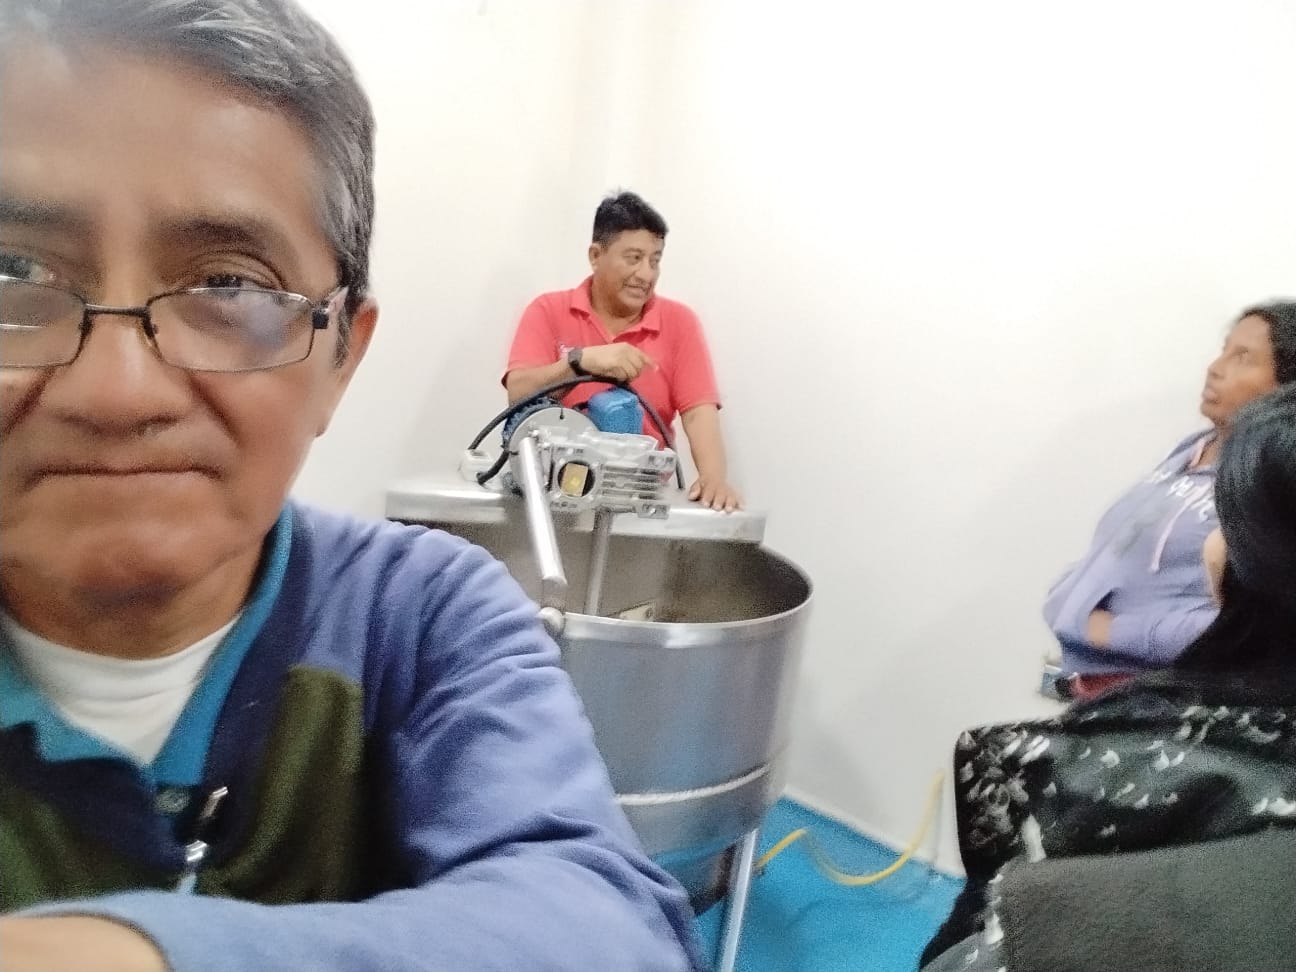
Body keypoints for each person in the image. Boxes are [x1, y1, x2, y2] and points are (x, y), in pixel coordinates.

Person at [0, 2, 706, 970]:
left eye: (230, 286)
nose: (116, 392)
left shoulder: (417, 614)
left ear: (342, 359)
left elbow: (609, 929)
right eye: (14, 270)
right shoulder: (554, 315)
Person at [921, 383, 1296, 971]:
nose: (1219, 371)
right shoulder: (1183, 457)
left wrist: (1097, 627)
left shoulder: (1113, 778)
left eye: (1224, 520)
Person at [1043, 301, 1296, 692]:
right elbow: (1118, 548)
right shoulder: (1194, 448)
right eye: (1225, 350)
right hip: (1091, 683)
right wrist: (1067, 598)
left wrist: (1107, 631)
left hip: (1162, 698)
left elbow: (1259, 624)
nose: (1215, 368)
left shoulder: (1266, 482)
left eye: (1244, 357)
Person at [503, 191, 744, 512]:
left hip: (640, 500)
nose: (646, 274)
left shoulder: (680, 323)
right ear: (595, 255)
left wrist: (713, 478)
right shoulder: (548, 310)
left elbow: (699, 411)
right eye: (634, 258)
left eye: (655, 260)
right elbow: (517, 395)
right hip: (553, 500)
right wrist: (579, 363)